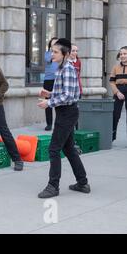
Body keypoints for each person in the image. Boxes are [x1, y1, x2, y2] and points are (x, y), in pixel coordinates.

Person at [37, 38, 90, 198]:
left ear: (65, 54)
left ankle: (53, 186)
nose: (51, 54)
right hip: (65, 111)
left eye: (55, 52)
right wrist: (50, 94)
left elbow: (68, 96)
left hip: (67, 113)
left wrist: (49, 102)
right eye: (52, 51)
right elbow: (68, 93)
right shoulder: (61, 68)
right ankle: (82, 183)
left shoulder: (66, 68)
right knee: (68, 149)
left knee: (54, 149)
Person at [110, 46, 127, 142]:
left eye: (125, 54)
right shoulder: (115, 67)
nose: (122, 56)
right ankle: (112, 137)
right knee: (115, 114)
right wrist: (117, 92)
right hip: (118, 90)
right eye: (121, 54)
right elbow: (112, 82)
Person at [43, 37, 59, 131]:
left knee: (58, 102)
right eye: (53, 44)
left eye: (56, 44)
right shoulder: (47, 53)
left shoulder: (60, 54)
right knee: (48, 102)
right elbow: (49, 59)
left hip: (58, 79)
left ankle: (58, 123)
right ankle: (49, 124)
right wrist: (54, 52)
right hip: (48, 80)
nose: (54, 46)